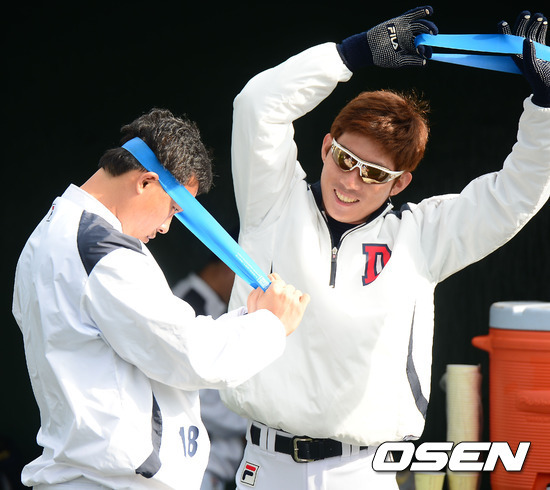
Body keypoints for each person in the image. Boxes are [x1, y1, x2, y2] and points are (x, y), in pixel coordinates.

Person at [220, 6, 550, 490]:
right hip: (264, 465)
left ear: (399, 184)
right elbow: (257, 105)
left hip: (362, 471)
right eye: (344, 159)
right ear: (326, 146)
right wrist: (350, 54)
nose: (351, 181)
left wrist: (546, 107)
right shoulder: (271, 202)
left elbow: (515, 194)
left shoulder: (422, 235)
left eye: (375, 173)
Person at [12, 108, 310, 489]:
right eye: (173, 208)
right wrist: (270, 324)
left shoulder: (48, 235)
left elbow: (163, 340)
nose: (167, 226)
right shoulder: (102, 251)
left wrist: (247, 320)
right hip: (111, 482)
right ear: (146, 182)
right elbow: (192, 355)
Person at [171, 250, 247, 490]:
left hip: (208, 465)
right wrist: (255, 421)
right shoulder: (187, 306)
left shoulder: (212, 305)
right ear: (229, 265)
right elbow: (201, 401)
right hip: (189, 463)